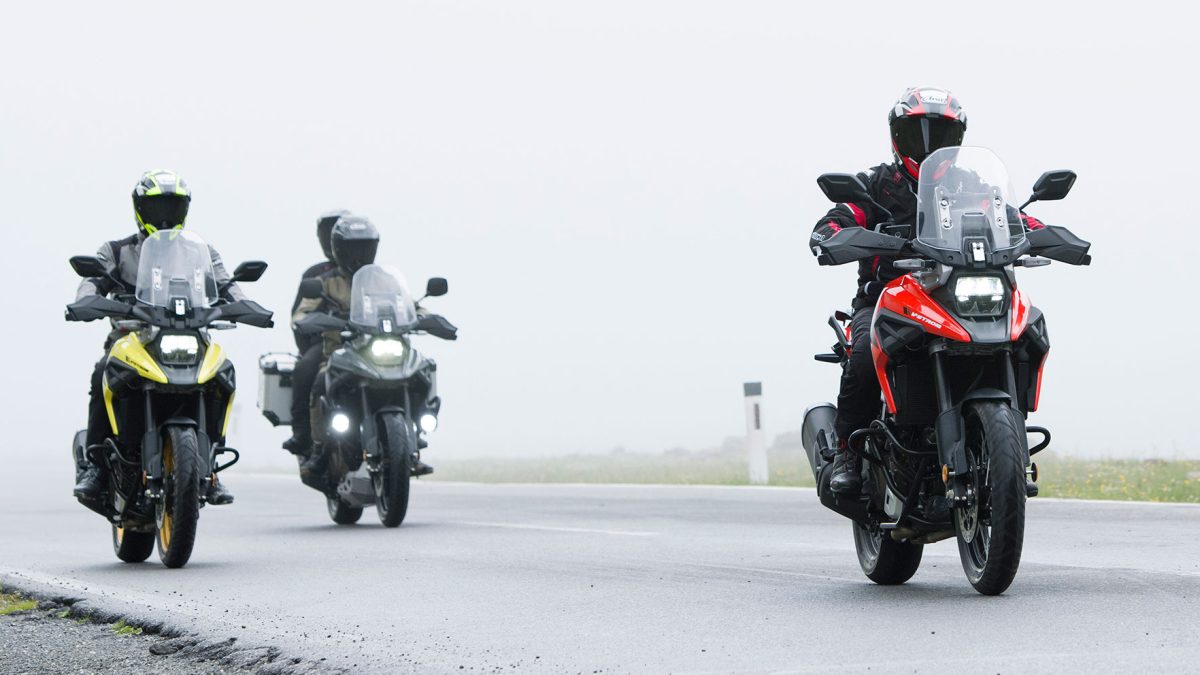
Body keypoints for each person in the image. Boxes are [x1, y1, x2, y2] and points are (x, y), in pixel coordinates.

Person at [810, 87, 1045, 494]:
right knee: (863, 354)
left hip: (953, 293)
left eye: (940, 134)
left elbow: (1013, 218)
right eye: (915, 132)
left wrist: (1043, 234)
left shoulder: (972, 186)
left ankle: (1005, 452)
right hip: (888, 296)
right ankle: (848, 452)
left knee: (1025, 334)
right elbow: (836, 220)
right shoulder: (875, 185)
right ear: (896, 136)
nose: (927, 143)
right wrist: (833, 235)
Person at [73, 169, 245, 505]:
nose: (165, 215)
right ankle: (95, 465)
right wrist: (86, 300)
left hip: (190, 336)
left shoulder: (201, 253)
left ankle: (210, 466)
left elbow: (226, 284)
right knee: (102, 372)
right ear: (140, 208)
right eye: (157, 206)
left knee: (222, 375)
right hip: (132, 338)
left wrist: (244, 306)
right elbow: (92, 281)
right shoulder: (116, 250)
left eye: (172, 206)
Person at [292, 216, 434, 479]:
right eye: (352, 248)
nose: (358, 254)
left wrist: (427, 317)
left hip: (380, 349)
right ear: (339, 249)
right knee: (320, 381)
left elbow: (410, 304)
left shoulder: (383, 279)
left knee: (423, 369)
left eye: (364, 247)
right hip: (340, 351)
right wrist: (312, 320)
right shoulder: (326, 281)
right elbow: (302, 312)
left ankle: (415, 438)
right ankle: (318, 448)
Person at [281, 209, 350, 455]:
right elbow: (298, 314)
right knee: (305, 368)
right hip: (327, 342)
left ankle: (411, 437)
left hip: (368, 341)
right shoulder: (316, 274)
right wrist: (313, 333)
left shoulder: (372, 275)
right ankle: (302, 433)